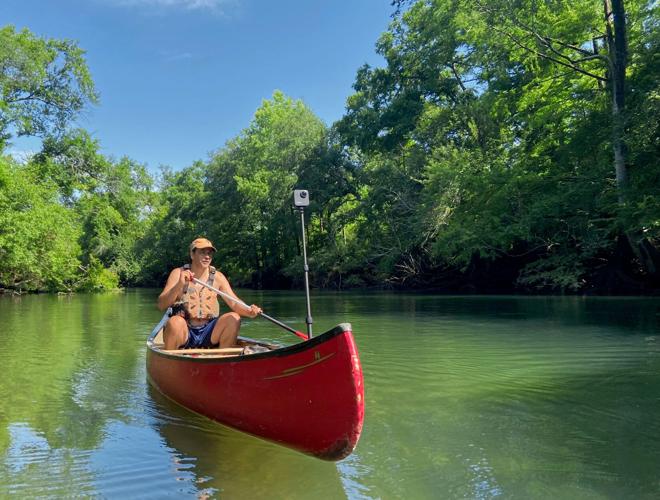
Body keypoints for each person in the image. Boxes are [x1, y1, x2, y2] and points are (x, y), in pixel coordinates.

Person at [157, 237, 262, 350]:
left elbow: (234, 303)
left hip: (210, 332)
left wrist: (249, 311)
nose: (207, 256)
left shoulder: (218, 277)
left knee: (233, 318)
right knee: (174, 322)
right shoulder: (178, 273)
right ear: (192, 255)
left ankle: (223, 359)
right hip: (185, 330)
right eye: (202, 253)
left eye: (209, 253)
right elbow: (161, 304)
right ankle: (172, 361)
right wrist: (179, 284)